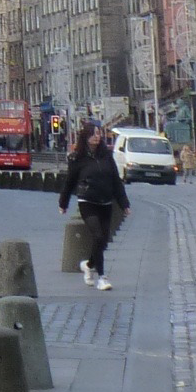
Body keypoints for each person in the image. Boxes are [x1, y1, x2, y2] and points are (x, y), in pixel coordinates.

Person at [57, 125, 130, 292]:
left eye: (98, 134)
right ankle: (102, 278)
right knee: (97, 235)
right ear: (86, 137)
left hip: (105, 202)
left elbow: (116, 181)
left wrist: (124, 204)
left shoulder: (106, 156)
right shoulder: (78, 159)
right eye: (93, 134)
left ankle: (88, 265)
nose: (97, 137)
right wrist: (63, 203)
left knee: (102, 240)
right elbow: (69, 182)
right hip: (87, 202)